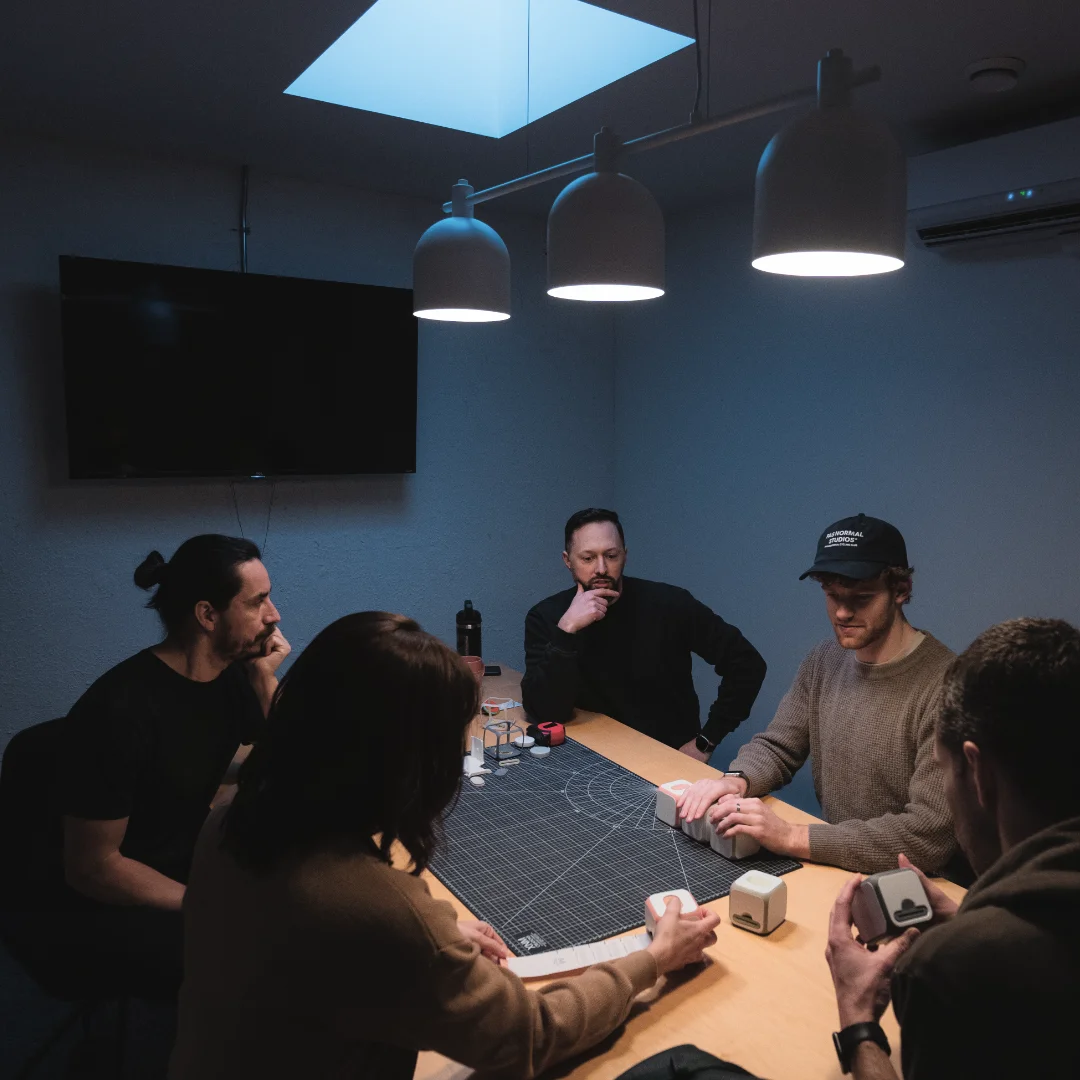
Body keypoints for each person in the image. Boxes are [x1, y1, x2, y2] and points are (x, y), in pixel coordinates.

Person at [169, 612, 721, 1080]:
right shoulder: (380, 910)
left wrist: (424, 938)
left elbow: (316, 946)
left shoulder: (225, 824)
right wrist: (653, 959)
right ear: (403, 763)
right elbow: (531, 1036)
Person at [824, 617, 1080, 1079]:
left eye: (944, 771)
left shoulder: (952, 970)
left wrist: (858, 1021)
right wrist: (973, 921)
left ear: (977, 774)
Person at [45, 534, 288, 999]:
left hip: (189, 866)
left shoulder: (229, 676)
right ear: (207, 615)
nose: (274, 615)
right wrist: (205, 903)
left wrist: (263, 679)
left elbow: (282, 762)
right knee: (273, 949)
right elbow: (93, 868)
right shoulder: (119, 711)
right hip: (119, 903)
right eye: (258, 602)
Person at [679, 514, 956, 874]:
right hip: (842, 867)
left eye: (861, 598)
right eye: (832, 596)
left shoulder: (949, 686)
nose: (842, 612)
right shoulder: (825, 660)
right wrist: (736, 781)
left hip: (920, 886)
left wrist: (791, 837)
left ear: (901, 590)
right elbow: (778, 746)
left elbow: (928, 835)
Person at [522, 508, 767, 760]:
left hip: (667, 755)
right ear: (568, 560)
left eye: (611, 555)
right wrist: (567, 630)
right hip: (586, 755)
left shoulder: (671, 605)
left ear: (625, 556)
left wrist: (706, 741)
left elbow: (747, 664)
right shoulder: (547, 617)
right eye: (587, 558)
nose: (601, 568)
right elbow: (545, 711)